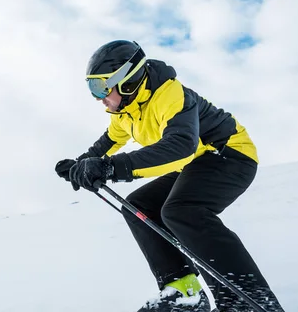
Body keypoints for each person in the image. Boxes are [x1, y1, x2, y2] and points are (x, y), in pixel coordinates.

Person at [55, 40, 285, 312]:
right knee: (138, 207)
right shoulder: (125, 111)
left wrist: (109, 168)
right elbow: (107, 143)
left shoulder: (170, 94)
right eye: (92, 87)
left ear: (127, 81)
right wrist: (80, 165)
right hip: (195, 164)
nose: (97, 97)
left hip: (229, 155)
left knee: (183, 211)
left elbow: (180, 145)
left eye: (101, 86)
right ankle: (184, 291)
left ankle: (249, 301)